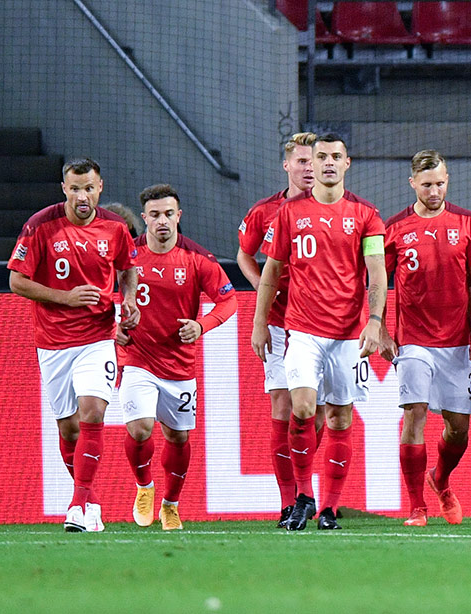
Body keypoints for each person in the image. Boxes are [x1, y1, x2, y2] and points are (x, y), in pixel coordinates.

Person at [252, 133, 387, 531]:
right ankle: (302, 495)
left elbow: (377, 273)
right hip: (303, 330)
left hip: (348, 334)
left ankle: (328, 508)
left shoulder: (366, 214)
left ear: (348, 163)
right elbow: (271, 272)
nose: (327, 163)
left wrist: (375, 321)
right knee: (304, 409)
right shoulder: (289, 213)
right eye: (320, 156)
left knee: (342, 418)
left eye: (335, 157)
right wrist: (260, 322)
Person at [8, 158, 140, 532]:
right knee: (68, 429)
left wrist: (128, 299)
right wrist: (64, 298)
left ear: (100, 188)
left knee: (93, 412)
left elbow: (128, 267)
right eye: (75, 188)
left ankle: (77, 505)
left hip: (97, 338)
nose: (83, 196)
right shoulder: (40, 225)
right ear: (64, 189)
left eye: (89, 188)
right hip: (52, 342)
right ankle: (91, 502)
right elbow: (17, 281)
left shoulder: (115, 228)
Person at [381, 150, 471, 527]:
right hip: (412, 340)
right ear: (413, 183)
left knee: (458, 428)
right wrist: (378, 326)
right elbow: (379, 281)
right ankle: (417, 507)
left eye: (440, 183)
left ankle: (440, 480)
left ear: (448, 180)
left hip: (457, 341)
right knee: (414, 415)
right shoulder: (395, 227)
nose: (434, 190)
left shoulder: (467, 222)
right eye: (427, 184)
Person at [119, 184, 238, 531]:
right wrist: (115, 328)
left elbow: (228, 300)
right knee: (140, 430)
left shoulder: (197, 259)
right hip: (137, 357)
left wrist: (202, 326)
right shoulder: (128, 256)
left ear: (178, 216)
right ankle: (144, 487)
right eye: (154, 215)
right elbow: (104, 293)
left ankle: (170, 504)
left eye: (168, 214)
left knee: (177, 438)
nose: (162, 222)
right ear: (144, 219)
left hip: (179, 365)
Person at [237, 132, 323, 527]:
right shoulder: (264, 212)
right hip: (279, 322)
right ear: (286, 165)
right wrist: (262, 290)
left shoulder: (336, 206)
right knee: (284, 407)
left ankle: (304, 486)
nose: (309, 169)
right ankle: (291, 502)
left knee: (319, 415)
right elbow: (244, 253)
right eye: (302, 162)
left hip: (325, 321)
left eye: (315, 161)